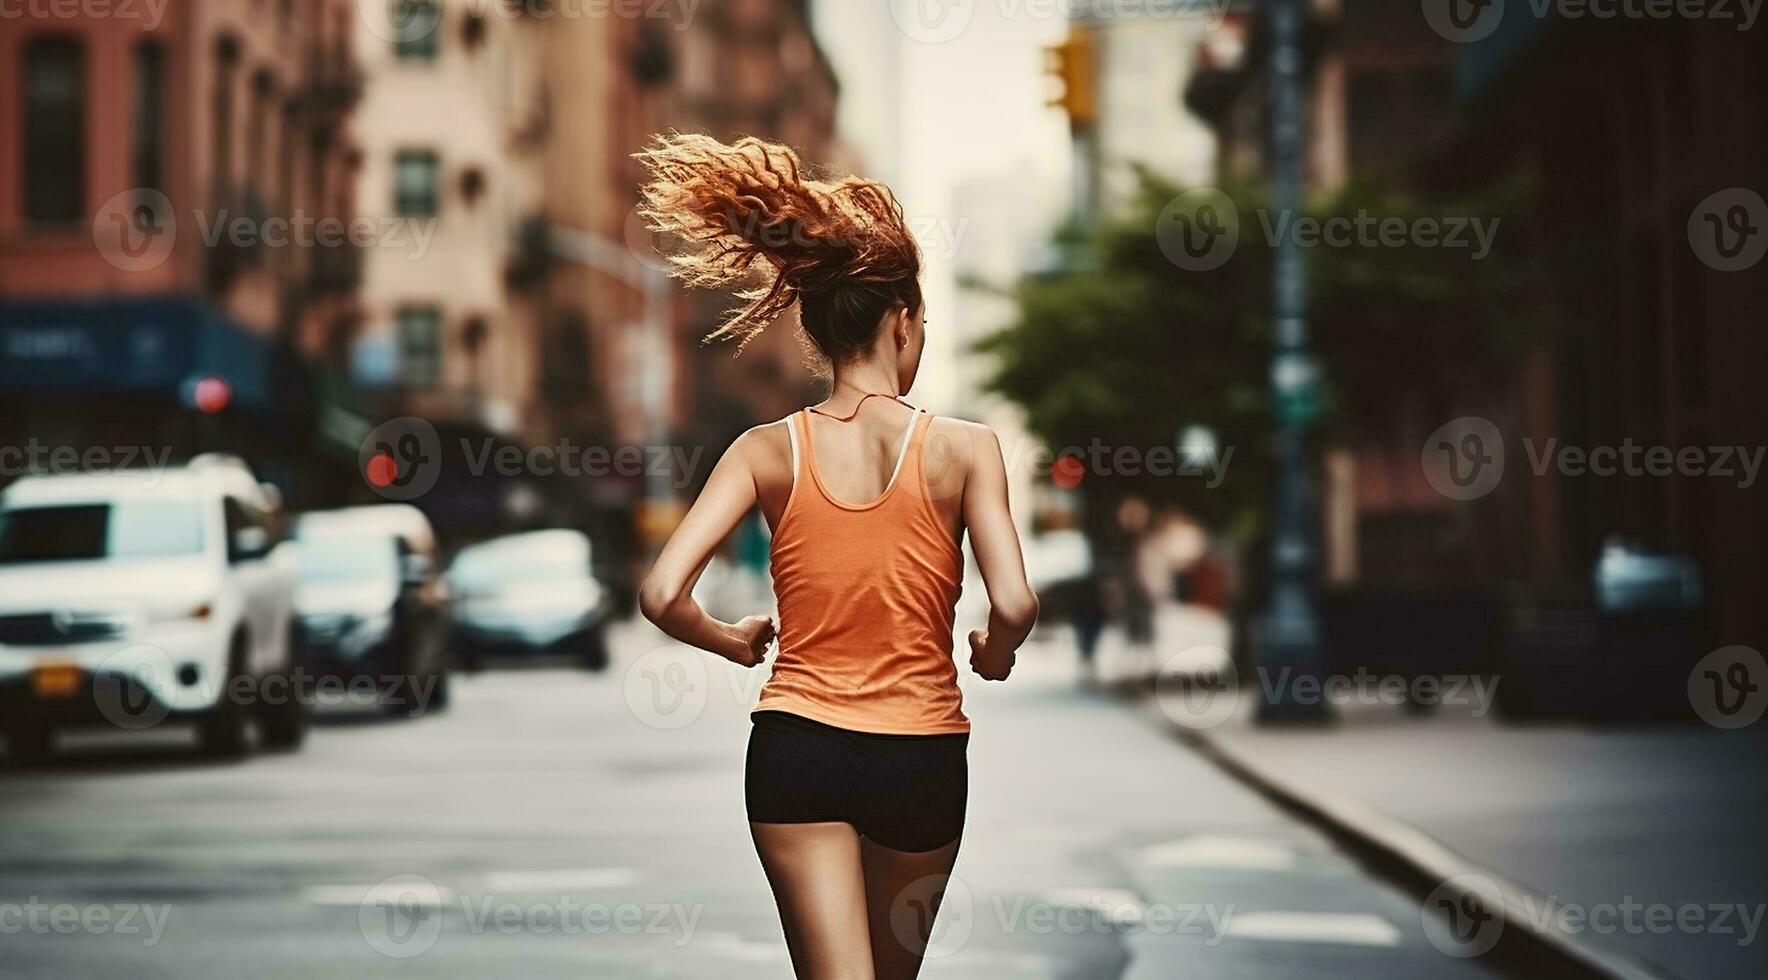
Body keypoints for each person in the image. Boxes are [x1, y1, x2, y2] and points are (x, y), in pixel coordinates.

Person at [635, 133, 1039, 980]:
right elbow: (1014, 604)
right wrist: (991, 656)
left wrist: (733, 640)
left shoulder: (763, 449)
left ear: (816, 331)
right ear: (903, 321)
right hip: (920, 756)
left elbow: (664, 592)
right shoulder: (966, 450)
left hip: (796, 751)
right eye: (921, 322)